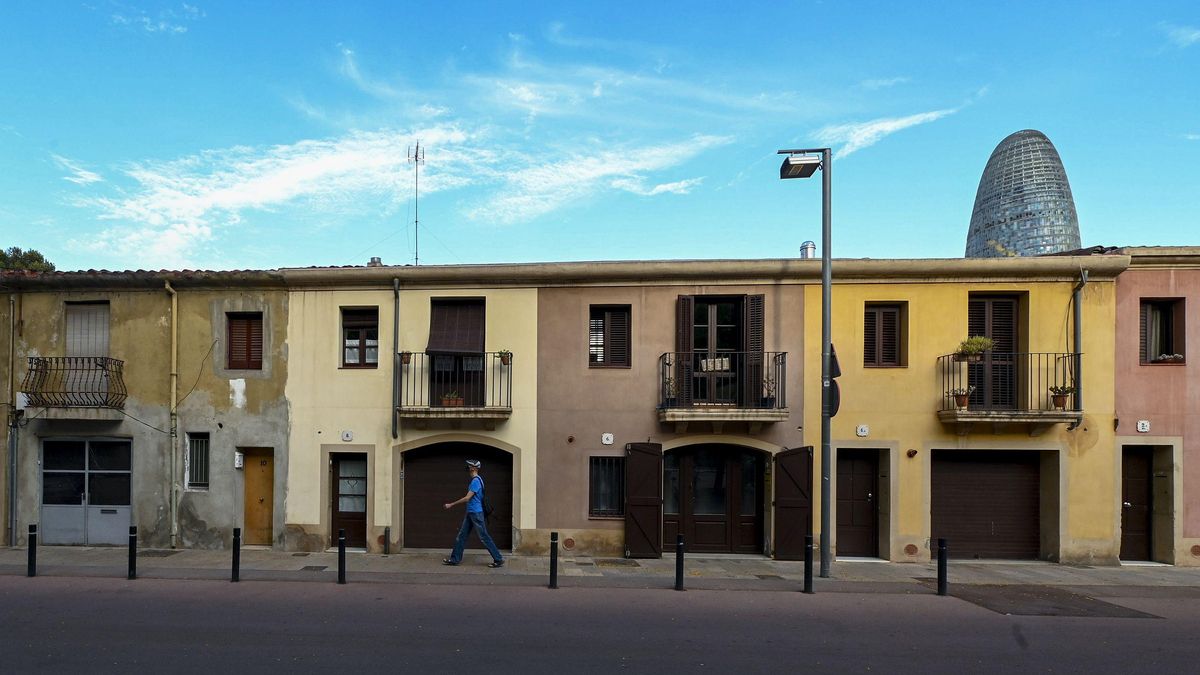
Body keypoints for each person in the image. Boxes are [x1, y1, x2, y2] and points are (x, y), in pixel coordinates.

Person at [442, 459, 504, 568]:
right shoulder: (476, 480)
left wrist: (451, 504)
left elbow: (467, 498)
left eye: (469, 466)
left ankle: (498, 559)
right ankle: (454, 559)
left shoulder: (476, 481)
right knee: (461, 536)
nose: (468, 468)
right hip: (471, 513)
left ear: (474, 468)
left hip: (476, 513)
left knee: (484, 537)